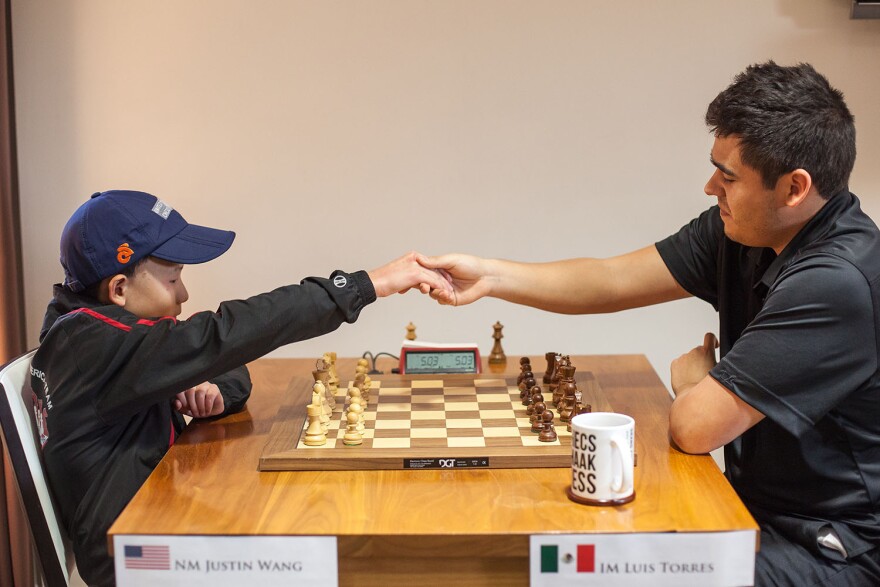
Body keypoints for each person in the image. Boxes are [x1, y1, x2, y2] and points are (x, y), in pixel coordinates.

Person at [420, 61, 880, 586]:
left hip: (830, 548)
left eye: (728, 177)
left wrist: (694, 384)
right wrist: (490, 277)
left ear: (794, 188)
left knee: (590, 568)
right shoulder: (745, 231)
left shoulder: (837, 281)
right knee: (574, 548)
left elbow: (694, 427)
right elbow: (612, 280)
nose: (711, 187)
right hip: (749, 509)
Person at [32, 189, 450, 586]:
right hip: (141, 559)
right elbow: (225, 336)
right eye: (174, 278)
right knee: (333, 546)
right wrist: (363, 286)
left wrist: (209, 383)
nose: (184, 293)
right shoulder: (94, 350)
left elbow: (228, 363)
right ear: (119, 288)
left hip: (157, 520)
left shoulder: (101, 333)